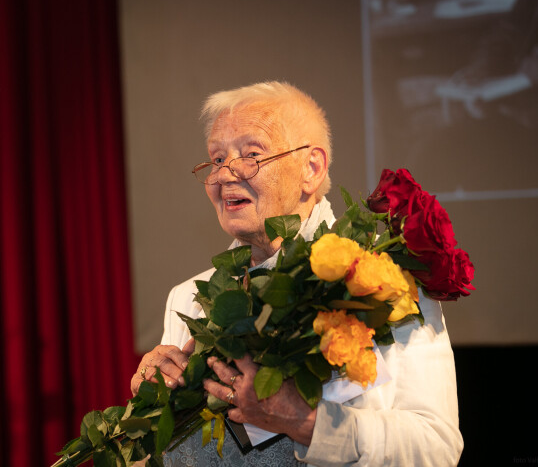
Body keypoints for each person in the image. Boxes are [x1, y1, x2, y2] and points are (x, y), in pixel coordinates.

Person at [130, 81, 463, 466]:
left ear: (311, 167)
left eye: (251, 154)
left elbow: (436, 449)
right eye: (217, 159)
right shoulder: (187, 299)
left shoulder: (381, 283)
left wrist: (308, 424)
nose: (224, 175)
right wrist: (156, 401)